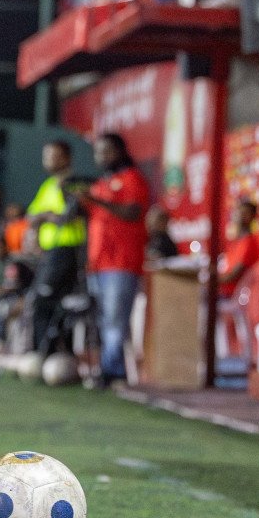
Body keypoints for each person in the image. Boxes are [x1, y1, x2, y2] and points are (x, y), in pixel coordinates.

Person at [80, 133, 150, 388]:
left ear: (120, 151)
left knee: (115, 318)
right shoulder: (100, 183)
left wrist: (95, 199)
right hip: (97, 263)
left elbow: (132, 212)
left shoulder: (132, 179)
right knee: (102, 319)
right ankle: (112, 368)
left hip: (122, 263)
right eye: (98, 151)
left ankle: (111, 370)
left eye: (107, 150)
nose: (101, 156)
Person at [25, 141, 86, 354]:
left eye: (53, 155)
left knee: (48, 301)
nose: (48, 160)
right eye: (46, 155)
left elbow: (69, 216)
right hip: (50, 253)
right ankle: (46, 352)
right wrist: (45, 215)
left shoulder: (73, 183)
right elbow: (32, 216)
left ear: (66, 158)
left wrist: (50, 216)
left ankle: (46, 353)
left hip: (68, 250)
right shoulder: (48, 185)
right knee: (45, 302)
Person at [215, 198, 259, 301]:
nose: (240, 216)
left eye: (245, 213)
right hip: (222, 292)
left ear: (252, 217)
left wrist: (211, 281)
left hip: (234, 296)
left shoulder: (250, 243)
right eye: (239, 212)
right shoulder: (235, 242)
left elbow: (234, 275)